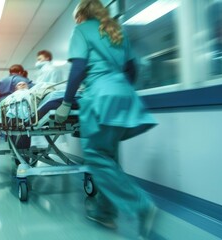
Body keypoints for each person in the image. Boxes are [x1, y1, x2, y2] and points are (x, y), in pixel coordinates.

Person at [54, 0, 158, 238]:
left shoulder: (81, 30)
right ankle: (105, 212)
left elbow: (78, 69)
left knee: (96, 156)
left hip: (99, 97)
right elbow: (132, 68)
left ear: (81, 15)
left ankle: (141, 205)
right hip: (123, 95)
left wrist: (66, 102)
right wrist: (119, 87)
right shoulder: (117, 30)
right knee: (109, 156)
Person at [0, 64, 33, 150]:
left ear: (10, 72)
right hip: (24, 111)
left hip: (6, 111)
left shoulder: (2, 81)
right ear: (21, 72)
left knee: (10, 129)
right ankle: (22, 153)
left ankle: (14, 150)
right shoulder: (26, 81)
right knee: (24, 129)